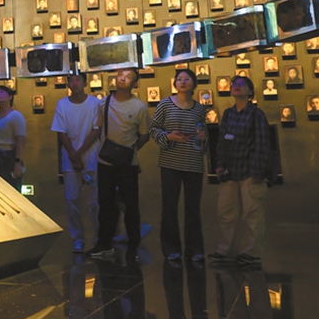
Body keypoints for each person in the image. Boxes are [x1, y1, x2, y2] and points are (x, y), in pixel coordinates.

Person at [210, 76, 272, 268]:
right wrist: (219, 165)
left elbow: (262, 144)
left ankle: (251, 252)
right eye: (234, 84)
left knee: (251, 213)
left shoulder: (256, 114)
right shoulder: (228, 114)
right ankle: (225, 249)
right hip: (230, 170)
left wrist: (258, 171)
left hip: (249, 170)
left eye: (242, 84)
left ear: (251, 92)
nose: (237, 87)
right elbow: (222, 141)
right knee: (225, 211)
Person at [89, 69, 150, 260]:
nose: (122, 78)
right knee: (105, 203)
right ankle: (104, 243)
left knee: (131, 204)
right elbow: (98, 128)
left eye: (128, 76)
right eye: (120, 74)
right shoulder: (104, 103)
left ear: (135, 83)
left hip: (128, 163)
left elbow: (144, 136)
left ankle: (133, 244)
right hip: (104, 161)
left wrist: (128, 152)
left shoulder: (139, 107)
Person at [149, 68, 209, 262]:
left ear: (193, 84)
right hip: (170, 162)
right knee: (169, 207)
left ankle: (194, 249)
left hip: (193, 163)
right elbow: (153, 129)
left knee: (193, 208)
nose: (182, 82)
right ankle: (171, 249)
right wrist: (168, 136)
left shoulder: (199, 108)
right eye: (179, 79)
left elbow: (203, 135)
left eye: (187, 79)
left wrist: (202, 136)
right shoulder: (165, 104)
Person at [51, 73, 102, 253]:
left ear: (85, 83)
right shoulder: (62, 104)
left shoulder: (95, 104)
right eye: (71, 80)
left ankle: (99, 238)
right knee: (72, 200)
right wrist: (73, 155)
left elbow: (96, 130)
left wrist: (79, 153)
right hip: (70, 158)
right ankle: (78, 240)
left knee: (95, 202)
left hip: (92, 156)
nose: (74, 83)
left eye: (78, 80)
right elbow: (61, 131)